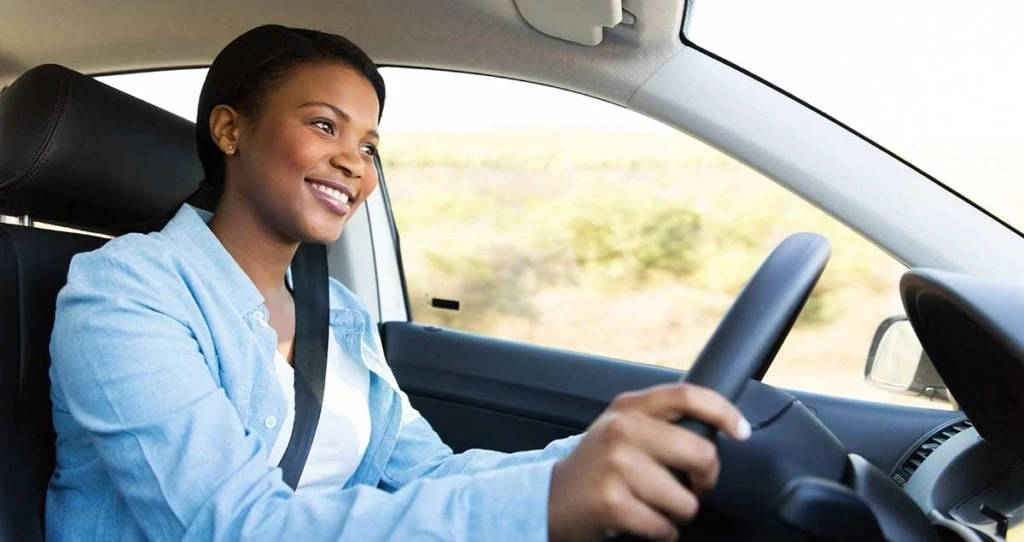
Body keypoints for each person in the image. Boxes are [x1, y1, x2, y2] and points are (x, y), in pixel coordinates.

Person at [47, 24, 750, 541]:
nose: (354, 164)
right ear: (231, 131)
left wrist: (602, 447)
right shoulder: (124, 294)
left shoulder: (342, 318)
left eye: (369, 146)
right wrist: (540, 506)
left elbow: (426, 477)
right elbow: (230, 527)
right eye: (325, 126)